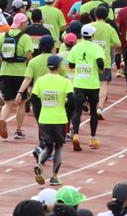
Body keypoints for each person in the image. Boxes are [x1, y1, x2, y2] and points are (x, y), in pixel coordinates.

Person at [30, 54, 73, 185]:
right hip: (60, 119)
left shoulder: (40, 81)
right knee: (59, 147)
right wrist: (67, 112)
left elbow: (33, 98)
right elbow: (71, 100)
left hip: (44, 118)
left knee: (48, 147)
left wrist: (40, 111)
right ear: (59, 66)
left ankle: (39, 164)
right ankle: (54, 176)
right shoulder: (65, 82)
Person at [66, 25, 106, 151]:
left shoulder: (76, 47)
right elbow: (100, 63)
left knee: (77, 111)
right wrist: (100, 68)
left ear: (82, 35)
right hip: (93, 84)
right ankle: (92, 138)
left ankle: (76, 135)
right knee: (93, 111)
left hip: (79, 83)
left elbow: (71, 65)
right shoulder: (97, 48)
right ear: (92, 36)